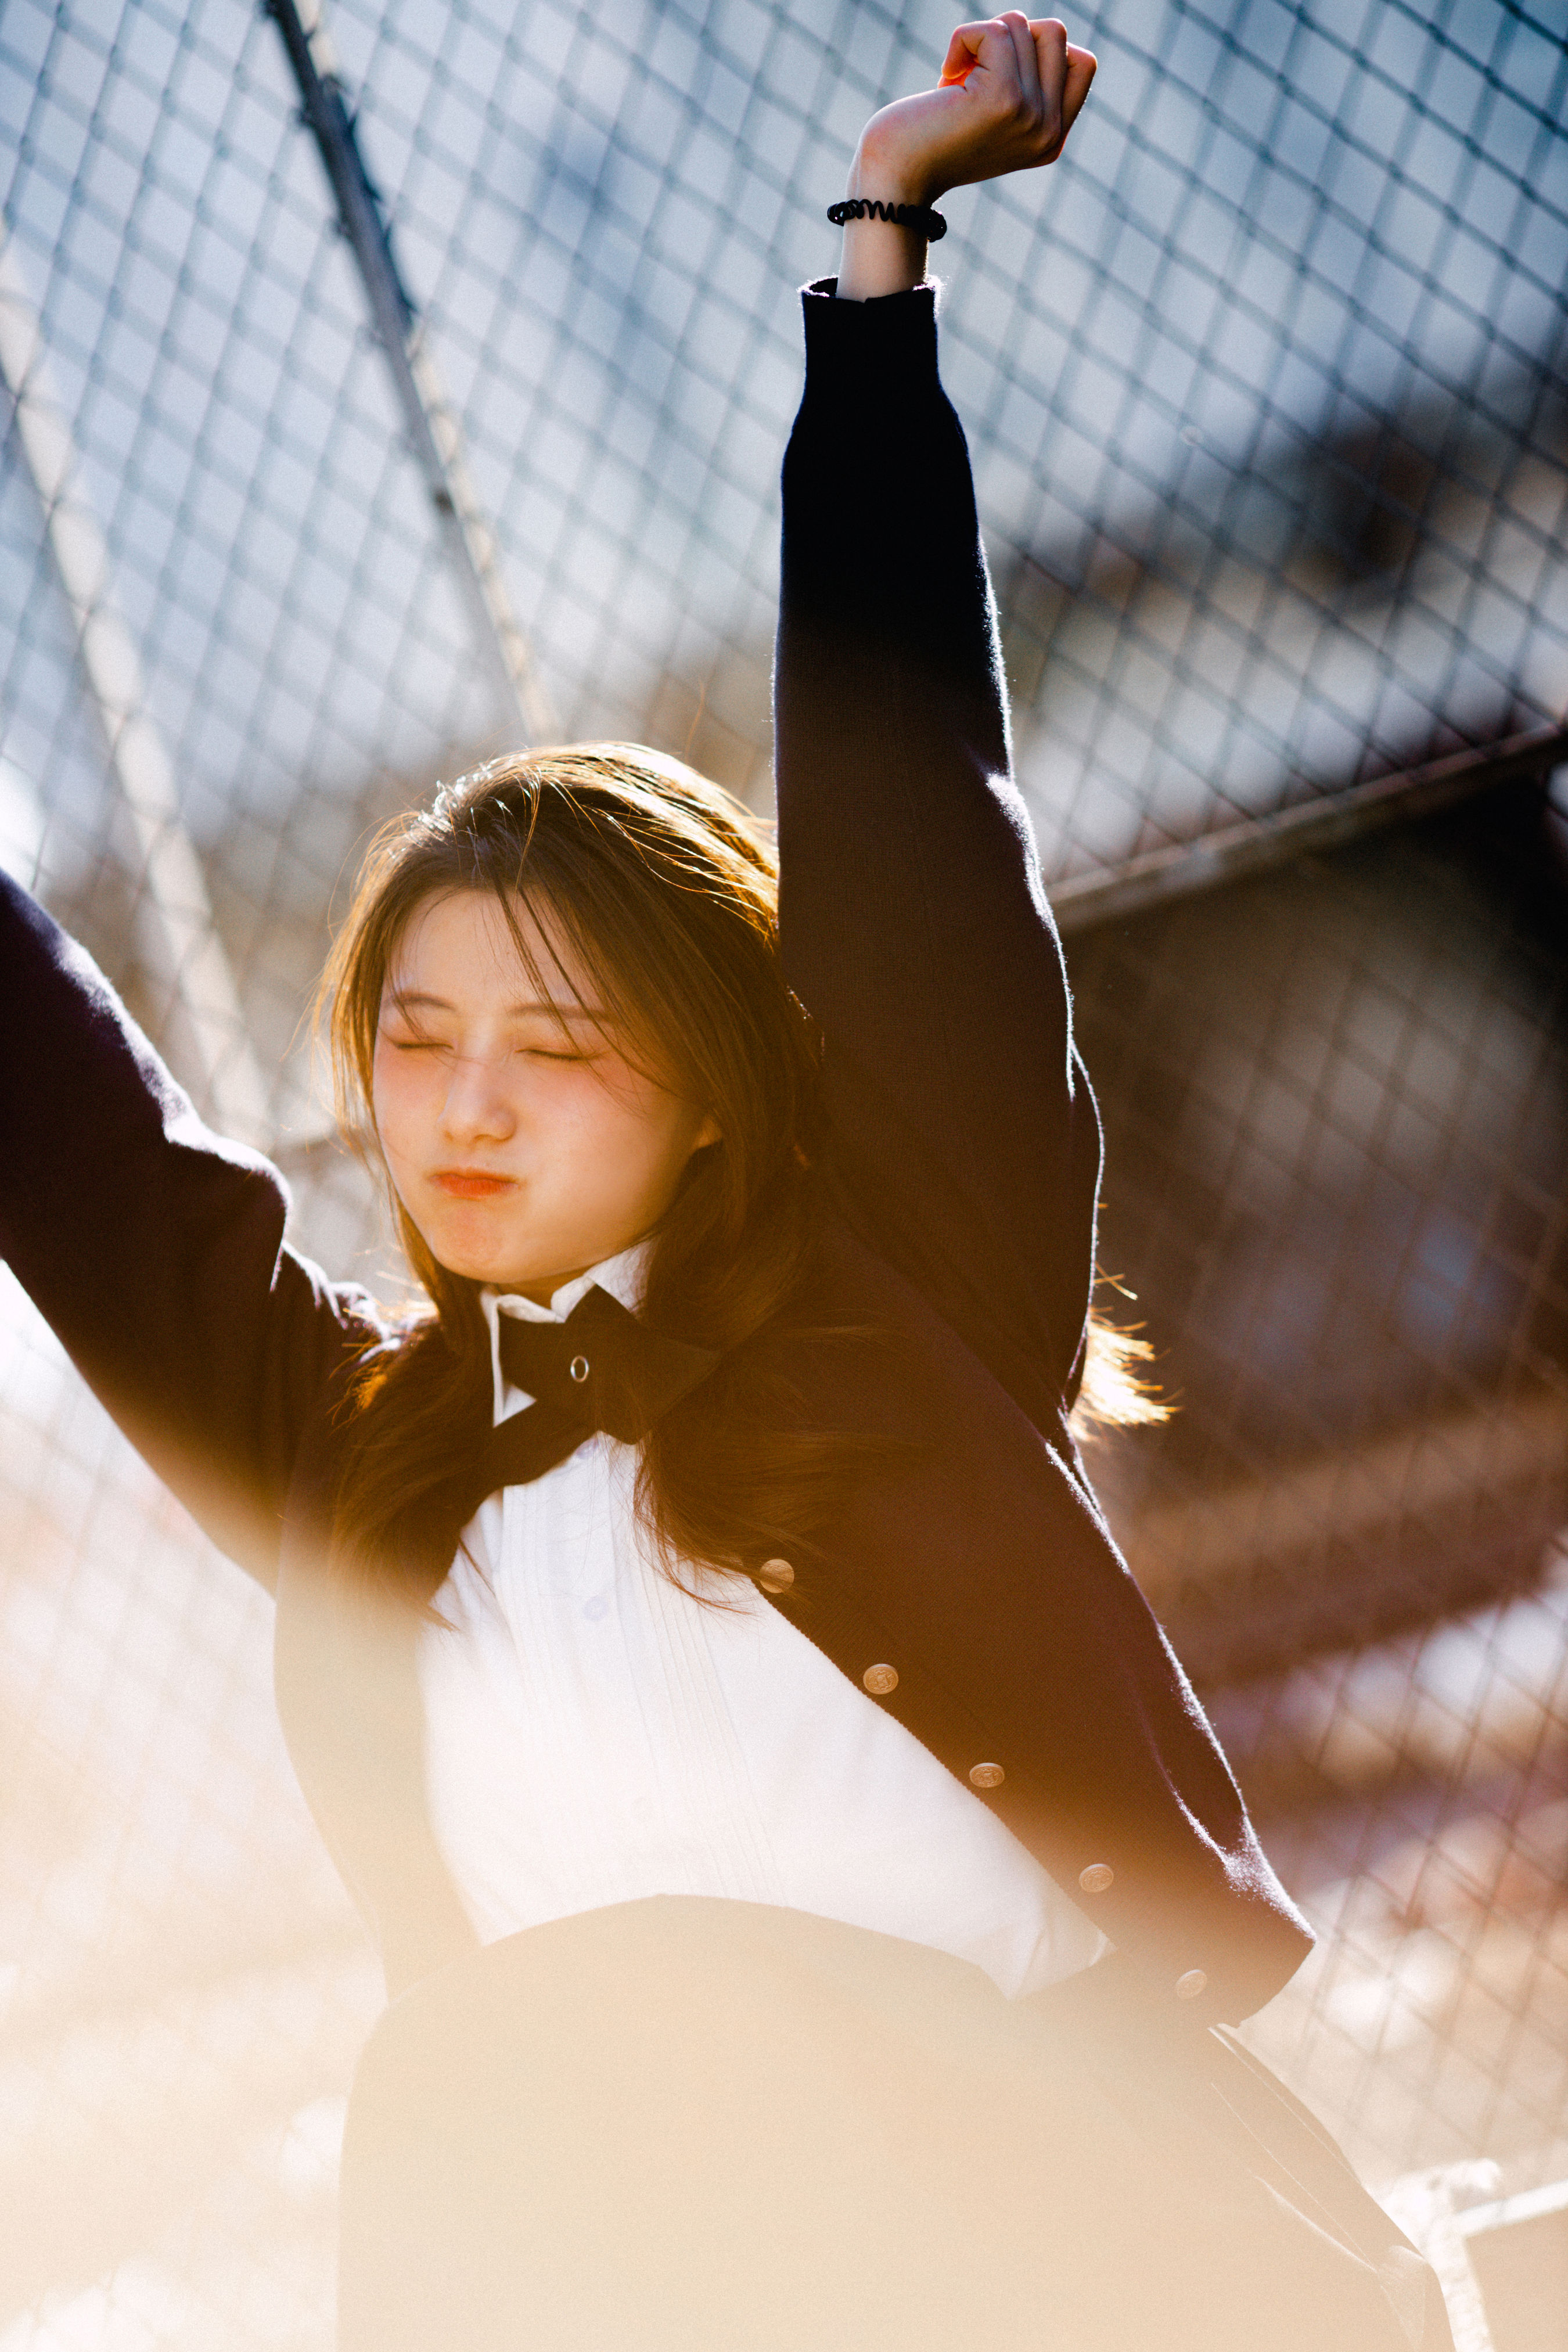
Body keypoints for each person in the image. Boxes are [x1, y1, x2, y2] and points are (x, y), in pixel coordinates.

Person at [1, 17, 1452, 2349]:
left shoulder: (914, 1290)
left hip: (1065, 2253)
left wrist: (881, 259)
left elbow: (911, 818)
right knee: (470, 2076)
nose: (462, 1105)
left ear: (703, 1089)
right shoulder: (352, 1455)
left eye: (555, 1046)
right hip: (644, 2282)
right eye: (411, 1037)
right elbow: (74, 1154)